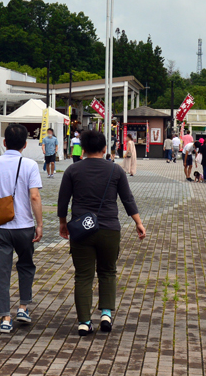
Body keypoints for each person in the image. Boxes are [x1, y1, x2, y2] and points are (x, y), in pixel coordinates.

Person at [58, 129, 146, 335]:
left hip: (81, 230)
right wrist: (138, 223)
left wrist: (63, 223)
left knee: (83, 276)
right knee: (108, 271)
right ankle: (106, 314)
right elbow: (127, 199)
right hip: (109, 229)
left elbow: (63, 200)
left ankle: (84, 322)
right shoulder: (115, 171)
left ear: (84, 149)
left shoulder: (73, 170)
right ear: (105, 148)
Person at [0, 124, 43, 334]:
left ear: (4, 142)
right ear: (25, 144)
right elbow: (34, 196)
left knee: (1, 271)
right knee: (26, 265)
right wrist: (39, 223)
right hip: (24, 226)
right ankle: (23, 307)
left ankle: (5, 317)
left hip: (0, 227)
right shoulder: (30, 165)